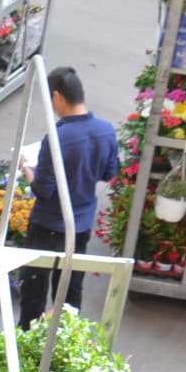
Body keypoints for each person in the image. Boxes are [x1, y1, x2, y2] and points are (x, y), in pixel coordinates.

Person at [16, 66, 120, 323]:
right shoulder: (106, 130)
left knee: (34, 289)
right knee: (71, 288)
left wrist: (27, 167)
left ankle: (28, 340)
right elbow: (109, 172)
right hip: (81, 223)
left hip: (48, 224)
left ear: (57, 97)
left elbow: (43, 190)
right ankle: (66, 340)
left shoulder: (58, 137)